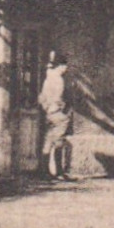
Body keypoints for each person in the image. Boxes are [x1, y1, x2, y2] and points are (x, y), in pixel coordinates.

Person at [38, 51, 71, 179]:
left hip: (48, 112)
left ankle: (44, 171)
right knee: (59, 141)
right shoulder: (58, 80)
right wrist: (61, 107)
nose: (65, 68)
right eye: (64, 65)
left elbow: (42, 97)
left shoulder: (47, 78)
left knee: (48, 140)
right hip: (57, 113)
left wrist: (46, 108)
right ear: (60, 66)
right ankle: (59, 171)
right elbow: (58, 98)